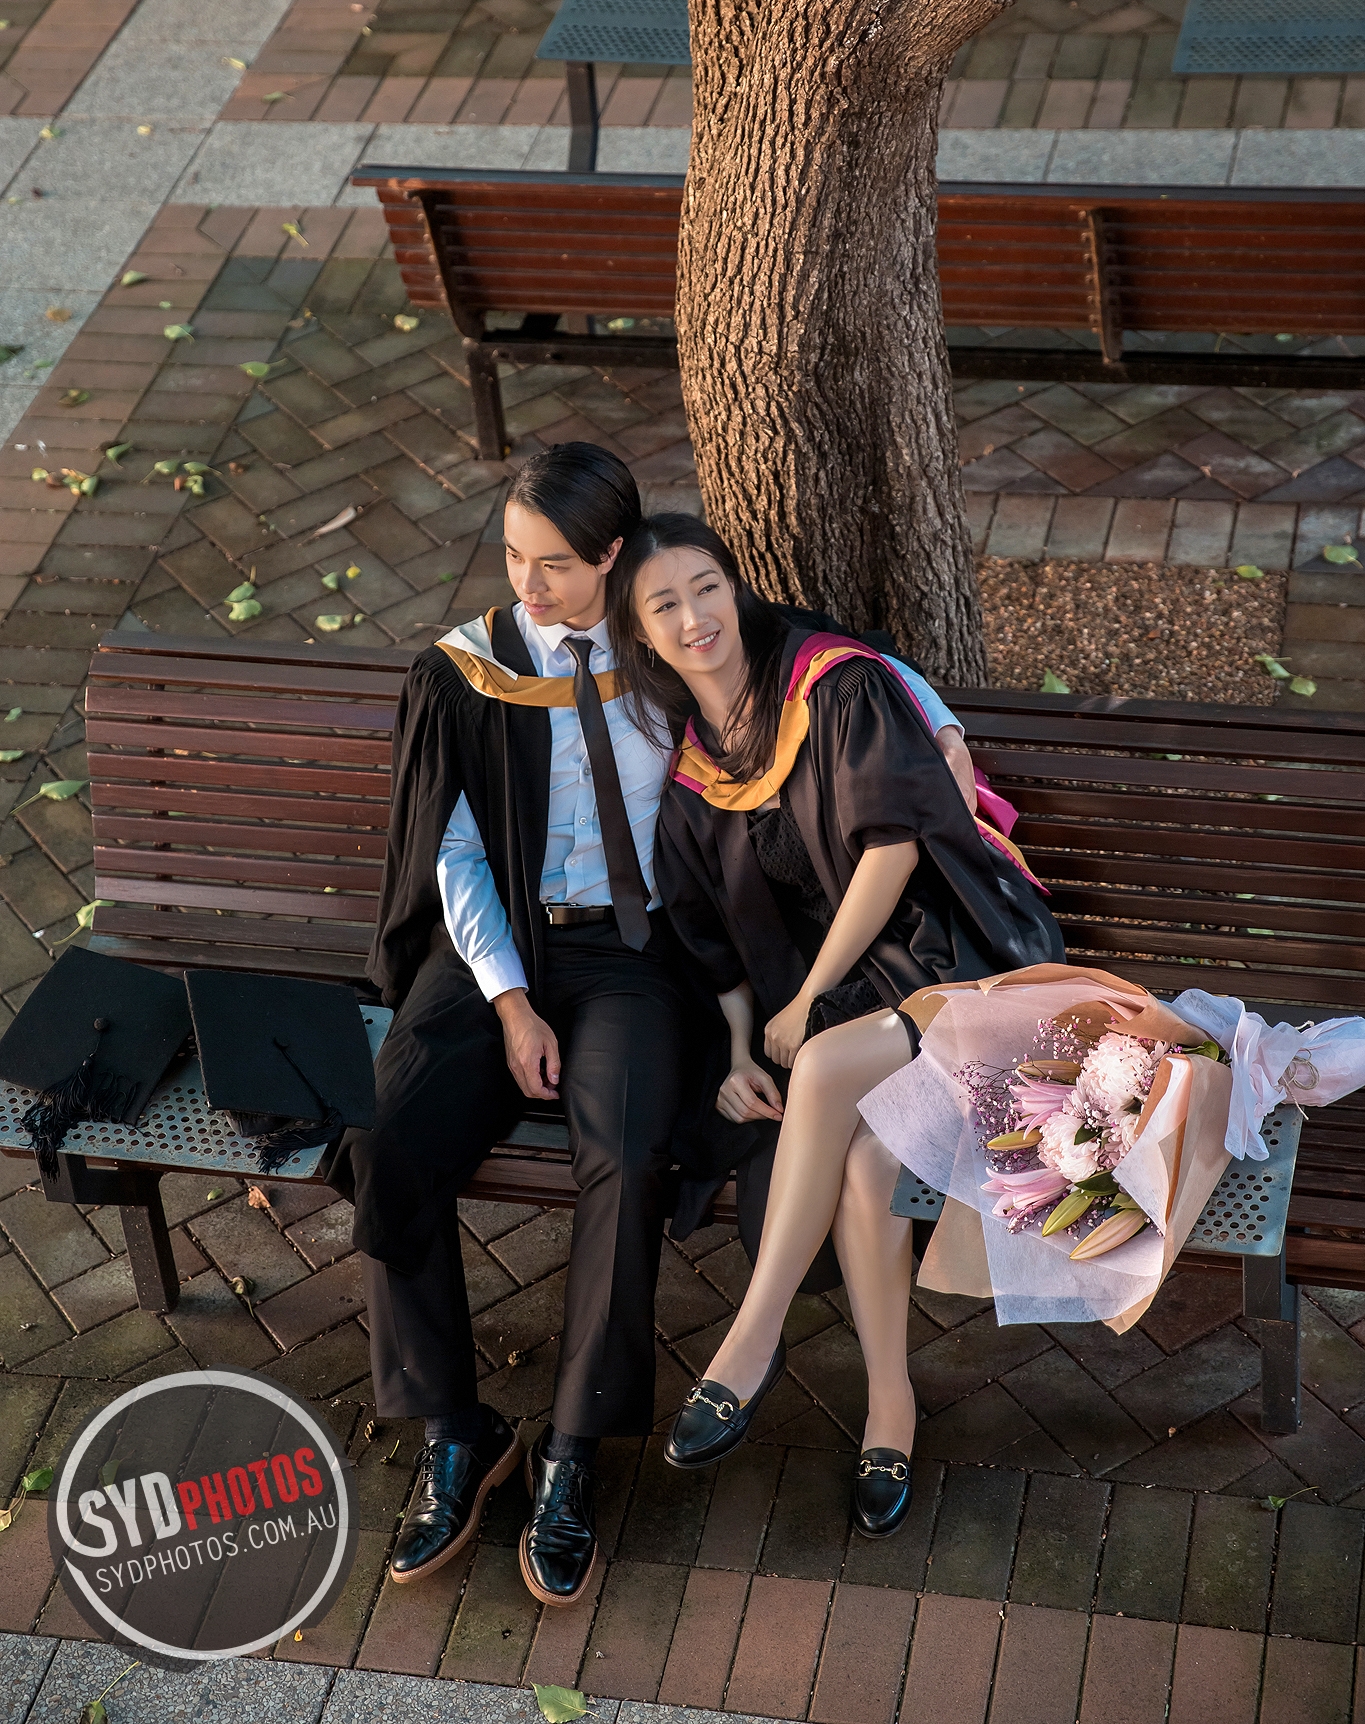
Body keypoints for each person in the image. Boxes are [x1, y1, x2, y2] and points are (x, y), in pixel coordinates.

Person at [606, 515, 1063, 1538]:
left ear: (735, 586)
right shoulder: (696, 769)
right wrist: (736, 1051)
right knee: (863, 1164)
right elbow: (714, 942)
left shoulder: (832, 685)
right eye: (664, 604)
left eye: (706, 586)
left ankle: (750, 1338)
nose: (694, 616)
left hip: (953, 952)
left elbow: (895, 848)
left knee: (818, 1066)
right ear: (639, 633)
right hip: (851, 998)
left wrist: (808, 996)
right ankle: (891, 1406)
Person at [328, 444, 690, 1610]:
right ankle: (456, 1425)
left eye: (556, 566)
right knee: (385, 1133)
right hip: (498, 949)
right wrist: (510, 998)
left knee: (624, 1154)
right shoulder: (467, 672)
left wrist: (936, 723)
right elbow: (454, 852)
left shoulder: (676, 639)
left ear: (614, 555)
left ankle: (571, 1447)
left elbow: (839, 662)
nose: (528, 587)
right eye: (514, 558)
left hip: (631, 954)